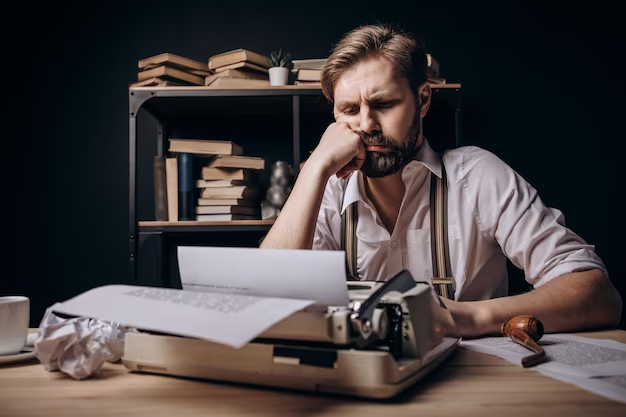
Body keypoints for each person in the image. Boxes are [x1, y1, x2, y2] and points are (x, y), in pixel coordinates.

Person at [260, 23, 622, 338]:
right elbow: (265, 302)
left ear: (422, 100)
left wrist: (464, 316)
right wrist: (314, 168)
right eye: (350, 110)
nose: (367, 125)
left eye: (384, 104)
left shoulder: (478, 177)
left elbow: (597, 294)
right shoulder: (326, 188)